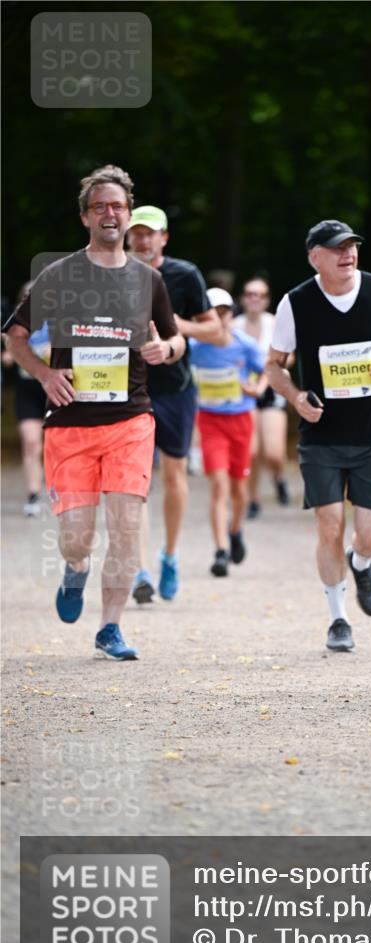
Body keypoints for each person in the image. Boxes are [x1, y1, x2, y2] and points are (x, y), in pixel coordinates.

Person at [2, 164, 185, 660]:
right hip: (70, 425)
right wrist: (43, 374)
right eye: (100, 206)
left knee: (126, 528)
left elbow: (175, 337)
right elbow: (14, 336)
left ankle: (110, 628)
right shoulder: (59, 275)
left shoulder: (148, 280)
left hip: (130, 420)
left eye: (118, 206)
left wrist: (164, 351)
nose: (111, 213)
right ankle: (76, 570)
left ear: (128, 216)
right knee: (76, 539)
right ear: (85, 217)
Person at [266, 219, 371, 652]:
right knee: (329, 525)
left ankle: (361, 563)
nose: (348, 254)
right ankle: (338, 618)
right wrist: (294, 396)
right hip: (321, 434)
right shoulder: (297, 302)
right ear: (315, 257)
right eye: (336, 248)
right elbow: (274, 367)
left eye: (352, 246)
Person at [126, 205, 223, 602]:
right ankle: (139, 569)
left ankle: (169, 555)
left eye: (151, 233)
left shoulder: (185, 275)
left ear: (164, 237)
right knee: (133, 483)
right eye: (138, 233)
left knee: (173, 476)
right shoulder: (116, 275)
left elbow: (215, 330)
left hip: (176, 389)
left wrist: (172, 322)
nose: (143, 240)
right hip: (130, 389)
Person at [190, 288, 267, 576]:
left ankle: (235, 530)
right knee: (219, 485)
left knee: (238, 489)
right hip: (210, 422)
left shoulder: (244, 344)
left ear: (231, 314)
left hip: (240, 421)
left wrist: (256, 389)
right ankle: (221, 551)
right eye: (213, 313)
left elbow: (265, 371)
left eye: (224, 312)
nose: (220, 319)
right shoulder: (195, 347)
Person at [234, 276, 291, 517]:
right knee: (250, 451)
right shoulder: (233, 325)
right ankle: (252, 499)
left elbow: (289, 355)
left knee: (274, 453)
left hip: (271, 389)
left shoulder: (275, 323)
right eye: (249, 293)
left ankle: (279, 477)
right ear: (243, 298)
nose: (254, 298)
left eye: (259, 294)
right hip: (243, 389)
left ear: (266, 300)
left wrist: (271, 372)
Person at [1, 281, 49, 516]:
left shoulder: (60, 321)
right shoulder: (14, 326)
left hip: (55, 391)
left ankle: (63, 491)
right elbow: (9, 346)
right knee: (31, 442)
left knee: (56, 445)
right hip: (27, 390)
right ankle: (33, 494)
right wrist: (8, 355)